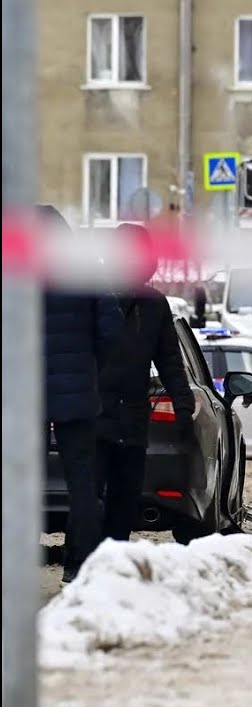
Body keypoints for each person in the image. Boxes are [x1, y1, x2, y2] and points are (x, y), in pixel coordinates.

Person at [95, 224, 197, 545]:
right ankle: (81, 560)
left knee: (126, 495)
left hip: (133, 417)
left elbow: (169, 361)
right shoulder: (94, 298)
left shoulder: (154, 304)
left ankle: (115, 558)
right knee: (89, 494)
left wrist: (183, 405)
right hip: (94, 413)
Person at [39, 205, 125, 584]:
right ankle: (79, 567)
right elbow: (112, 331)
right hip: (78, 394)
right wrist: (91, 370)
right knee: (82, 483)